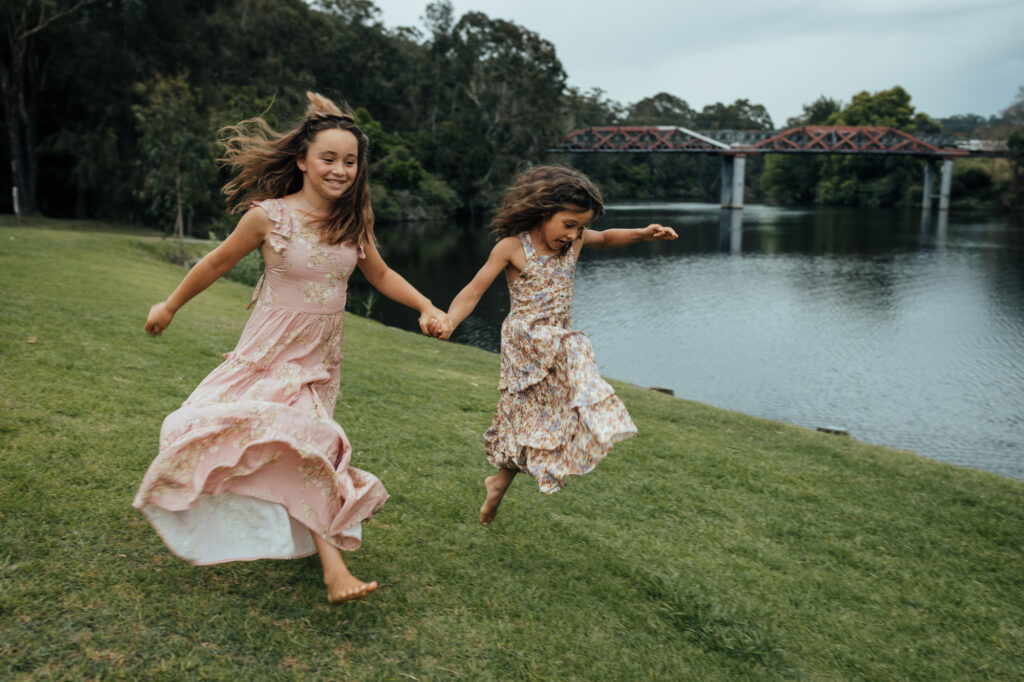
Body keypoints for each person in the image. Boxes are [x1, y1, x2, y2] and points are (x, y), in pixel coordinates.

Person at [134, 92, 451, 604]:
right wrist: (169, 305)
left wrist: (426, 306)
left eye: (350, 161)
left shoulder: (353, 224)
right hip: (268, 355)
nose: (341, 170)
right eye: (328, 158)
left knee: (308, 448)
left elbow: (382, 274)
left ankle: (320, 552)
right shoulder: (268, 217)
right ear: (302, 160)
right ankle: (334, 571)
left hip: (318, 362)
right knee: (295, 441)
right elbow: (214, 264)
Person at [442, 165, 677, 525]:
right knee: (578, 346)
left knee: (531, 422)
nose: (574, 234)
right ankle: (599, 410)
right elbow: (473, 292)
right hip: (527, 339)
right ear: (543, 211)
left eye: (581, 227)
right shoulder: (511, 248)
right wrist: (449, 321)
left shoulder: (577, 242)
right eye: (568, 224)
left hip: (555, 340)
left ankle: (497, 485)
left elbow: (608, 238)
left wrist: (642, 235)